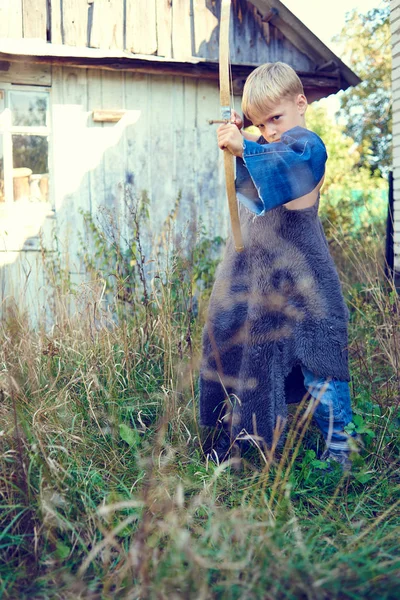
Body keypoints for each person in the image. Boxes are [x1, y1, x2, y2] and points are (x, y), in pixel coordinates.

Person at [199, 62, 356, 470]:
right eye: (260, 122)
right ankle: (241, 442)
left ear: (301, 103)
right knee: (245, 354)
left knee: (320, 367)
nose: (270, 129)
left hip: (306, 282)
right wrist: (241, 135)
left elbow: (288, 164)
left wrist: (246, 144)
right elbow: (256, 177)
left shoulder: (307, 146)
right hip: (263, 281)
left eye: (276, 118)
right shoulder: (268, 143)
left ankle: (341, 451)